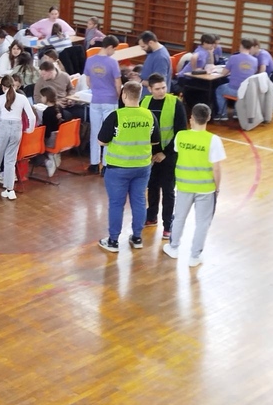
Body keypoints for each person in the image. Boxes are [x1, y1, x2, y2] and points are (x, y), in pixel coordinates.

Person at [97, 81, 161, 253]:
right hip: (142, 167)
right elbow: (155, 141)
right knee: (139, 201)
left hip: (118, 168)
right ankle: (137, 237)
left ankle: (113, 241)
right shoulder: (149, 115)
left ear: (124, 95)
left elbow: (101, 141)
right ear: (140, 96)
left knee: (116, 204)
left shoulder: (116, 116)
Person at [162, 103, 226, 267]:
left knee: (179, 218)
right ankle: (194, 256)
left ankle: (173, 247)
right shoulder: (213, 140)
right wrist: (217, 187)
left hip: (184, 186)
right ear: (208, 118)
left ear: (191, 118)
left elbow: (179, 152)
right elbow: (216, 168)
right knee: (202, 223)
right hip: (205, 188)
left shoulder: (180, 136)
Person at [141, 73, 187, 241]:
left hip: (169, 155)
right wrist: (151, 152)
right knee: (152, 187)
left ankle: (168, 225)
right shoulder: (144, 102)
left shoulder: (175, 103)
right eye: (157, 89)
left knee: (168, 190)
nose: (161, 91)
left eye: (163, 88)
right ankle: (151, 216)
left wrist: (164, 153)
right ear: (149, 89)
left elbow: (181, 131)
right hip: (150, 155)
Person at [0, 76, 35, 200]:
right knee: (10, 161)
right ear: (14, 85)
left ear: (3, 87)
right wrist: (30, 129)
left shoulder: (0, 99)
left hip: (3, 128)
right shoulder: (22, 98)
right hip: (17, 129)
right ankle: (9, 190)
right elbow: (32, 117)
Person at [83, 35, 122, 174]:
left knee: (95, 132)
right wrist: (117, 96)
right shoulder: (113, 63)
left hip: (95, 100)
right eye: (114, 49)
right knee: (109, 133)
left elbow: (88, 82)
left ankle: (94, 164)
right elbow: (118, 83)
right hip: (110, 100)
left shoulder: (90, 60)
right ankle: (106, 165)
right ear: (110, 47)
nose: (114, 52)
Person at [214, 38, 258, 121]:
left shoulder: (233, 58)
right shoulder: (255, 60)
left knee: (219, 90)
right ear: (251, 47)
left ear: (241, 46)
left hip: (234, 90)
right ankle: (236, 112)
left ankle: (222, 114)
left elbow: (223, 73)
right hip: (247, 90)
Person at [36, 86, 69, 177]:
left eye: (41, 97)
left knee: (35, 148)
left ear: (46, 98)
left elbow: (47, 131)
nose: (41, 99)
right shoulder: (59, 108)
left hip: (52, 140)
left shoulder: (47, 112)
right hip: (61, 139)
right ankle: (54, 156)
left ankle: (47, 161)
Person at [138, 30, 172, 95]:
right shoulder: (152, 50)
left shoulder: (161, 58)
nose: (142, 49)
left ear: (150, 43)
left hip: (153, 97)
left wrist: (140, 81)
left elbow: (158, 83)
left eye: (143, 46)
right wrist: (138, 74)